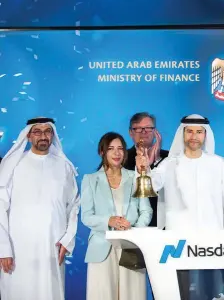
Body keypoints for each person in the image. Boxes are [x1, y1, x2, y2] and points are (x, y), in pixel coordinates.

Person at [137, 114, 224, 300]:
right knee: (181, 292)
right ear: (182, 134)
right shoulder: (169, 164)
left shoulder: (218, 163)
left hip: (212, 243)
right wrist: (143, 169)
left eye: (199, 132)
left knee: (212, 292)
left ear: (205, 135)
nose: (194, 136)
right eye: (189, 131)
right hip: (179, 242)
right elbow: (147, 188)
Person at [0, 117, 80, 300]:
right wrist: (3, 248)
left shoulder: (64, 166)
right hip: (17, 249)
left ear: (53, 134)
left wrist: (68, 240)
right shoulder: (12, 165)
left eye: (47, 131)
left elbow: (74, 204)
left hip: (52, 247)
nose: (43, 136)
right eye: (37, 132)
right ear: (28, 136)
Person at [81, 132, 153, 300]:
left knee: (133, 294)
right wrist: (108, 221)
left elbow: (146, 211)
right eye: (111, 149)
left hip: (130, 246)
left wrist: (133, 229)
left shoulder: (136, 176)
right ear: (102, 152)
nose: (117, 153)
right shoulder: (91, 180)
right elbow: (86, 216)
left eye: (120, 148)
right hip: (102, 247)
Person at [124, 112, 168, 229]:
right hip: (130, 228)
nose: (144, 132)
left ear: (155, 132)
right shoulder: (120, 158)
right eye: (138, 128)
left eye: (148, 128)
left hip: (166, 229)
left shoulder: (170, 158)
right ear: (130, 133)